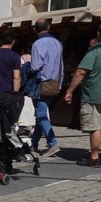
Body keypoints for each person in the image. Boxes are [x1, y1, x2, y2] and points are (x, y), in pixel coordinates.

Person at [64, 25, 101, 168]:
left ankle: (94, 158)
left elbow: (81, 72)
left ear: (98, 34)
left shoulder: (95, 51)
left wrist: (70, 90)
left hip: (94, 95)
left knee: (95, 126)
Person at [30, 18, 63, 157]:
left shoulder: (38, 44)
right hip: (55, 82)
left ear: (35, 29)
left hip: (42, 82)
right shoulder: (57, 42)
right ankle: (34, 143)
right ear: (49, 27)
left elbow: (35, 66)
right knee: (40, 113)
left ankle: (53, 143)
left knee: (41, 114)